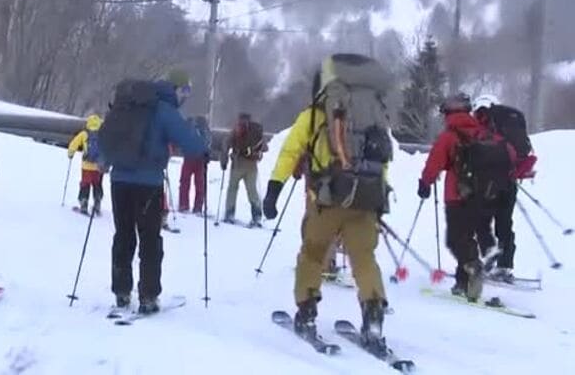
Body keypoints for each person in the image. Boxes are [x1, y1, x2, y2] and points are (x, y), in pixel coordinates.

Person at [263, 53, 392, 347]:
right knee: (364, 259)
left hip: (327, 198)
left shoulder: (315, 114)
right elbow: (382, 159)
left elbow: (290, 152)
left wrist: (274, 188)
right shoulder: (374, 115)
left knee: (312, 254)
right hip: (366, 199)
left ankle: (307, 312)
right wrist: (379, 198)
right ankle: (373, 317)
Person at [100, 70, 208, 313]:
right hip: (148, 185)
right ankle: (148, 296)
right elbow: (191, 145)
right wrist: (203, 144)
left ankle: (121, 291)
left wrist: (103, 159)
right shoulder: (164, 111)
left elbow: (108, 135)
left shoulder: (127, 104)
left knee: (123, 235)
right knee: (150, 240)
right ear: (176, 89)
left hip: (119, 181)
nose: (185, 97)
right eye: (185, 91)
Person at [418, 93, 516, 300]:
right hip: (483, 197)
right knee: (468, 238)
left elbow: (434, 163)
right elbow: (509, 155)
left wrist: (425, 183)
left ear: (448, 114)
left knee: (455, 240)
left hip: (457, 196)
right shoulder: (482, 133)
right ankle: (462, 284)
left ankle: (474, 268)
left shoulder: (449, 136)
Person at [472, 95, 536, 283]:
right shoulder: (510, 127)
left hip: (489, 185)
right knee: (505, 224)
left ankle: (488, 257)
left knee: (482, 222)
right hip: (509, 183)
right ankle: (505, 266)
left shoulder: (487, 128)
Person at [220, 112, 267, 226]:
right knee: (252, 191)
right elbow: (265, 147)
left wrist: (224, 161)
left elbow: (226, 144)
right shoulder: (256, 131)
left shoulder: (236, 130)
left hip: (237, 163)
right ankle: (257, 217)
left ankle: (229, 214)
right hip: (251, 165)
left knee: (232, 189)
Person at [67, 114, 104, 215]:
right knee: (97, 184)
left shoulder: (84, 134)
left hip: (86, 166)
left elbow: (74, 143)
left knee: (85, 184)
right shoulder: (102, 134)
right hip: (99, 167)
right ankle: (97, 202)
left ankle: (84, 203)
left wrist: (70, 153)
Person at [179, 116, 212, 214]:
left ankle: (184, 205)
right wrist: (207, 154)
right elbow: (208, 144)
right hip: (200, 160)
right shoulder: (205, 131)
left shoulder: (189, 129)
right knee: (199, 184)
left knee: (185, 183)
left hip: (189, 158)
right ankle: (197, 207)